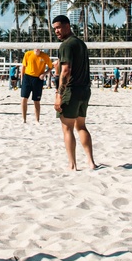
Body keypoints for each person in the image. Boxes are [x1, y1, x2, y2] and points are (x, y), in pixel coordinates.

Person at [52, 15, 96, 170]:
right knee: (81, 126)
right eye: (54, 28)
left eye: (58, 27)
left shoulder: (66, 45)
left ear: (67, 26)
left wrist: (59, 94)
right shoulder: (81, 43)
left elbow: (66, 71)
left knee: (67, 128)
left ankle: (72, 164)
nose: (56, 31)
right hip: (85, 90)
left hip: (71, 90)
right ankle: (91, 162)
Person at [20, 47, 53, 123]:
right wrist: (22, 78)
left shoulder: (45, 56)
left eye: (38, 47)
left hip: (38, 79)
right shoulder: (28, 54)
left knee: (36, 100)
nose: (37, 49)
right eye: (35, 47)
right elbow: (23, 67)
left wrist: (44, 74)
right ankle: (24, 119)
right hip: (27, 78)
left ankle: (37, 120)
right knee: (24, 99)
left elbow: (51, 67)